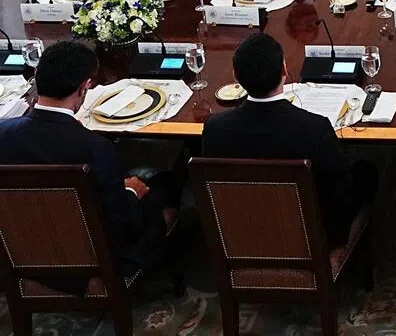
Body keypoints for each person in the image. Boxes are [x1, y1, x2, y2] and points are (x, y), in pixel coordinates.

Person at [0, 41, 177, 279]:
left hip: (21, 248)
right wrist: (131, 193)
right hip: (96, 259)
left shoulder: (3, 132)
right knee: (167, 181)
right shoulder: (95, 148)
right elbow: (123, 226)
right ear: (84, 88)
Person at [200, 33, 376, 245]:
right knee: (366, 172)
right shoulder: (314, 129)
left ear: (235, 77)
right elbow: (341, 196)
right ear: (284, 70)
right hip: (312, 239)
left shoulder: (215, 129)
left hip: (243, 235)